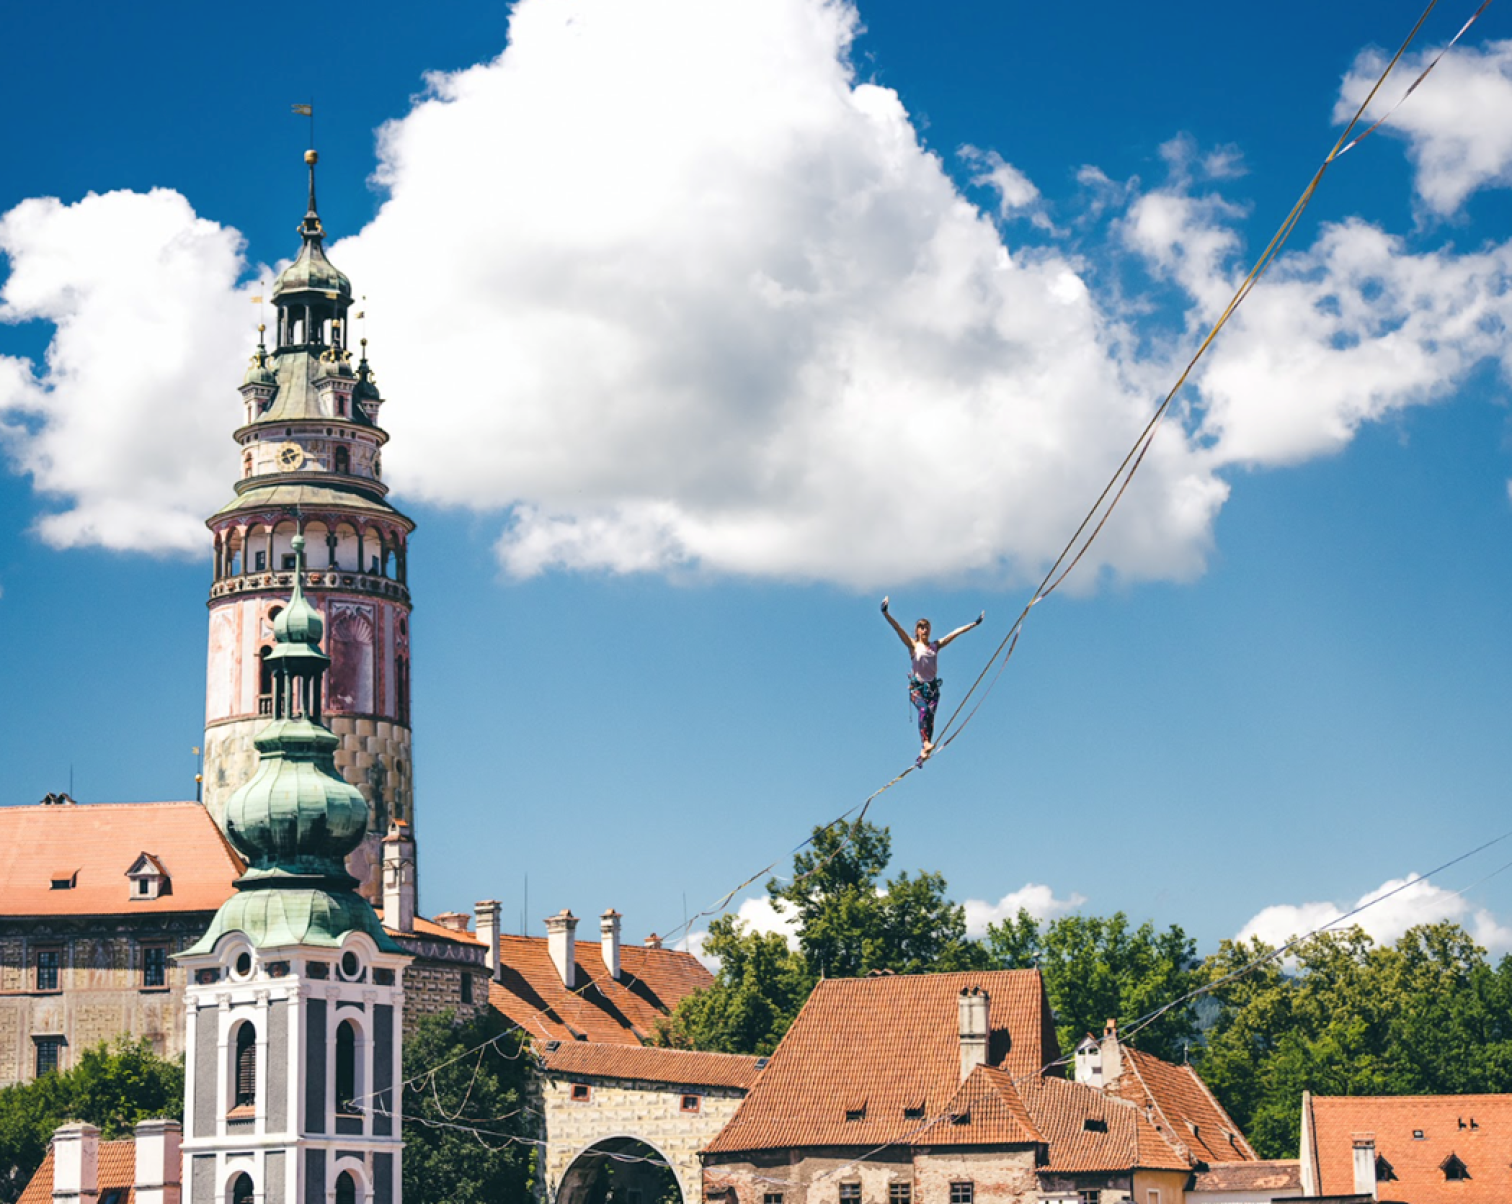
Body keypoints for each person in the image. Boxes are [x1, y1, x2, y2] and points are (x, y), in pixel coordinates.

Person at [881, 597, 983, 763]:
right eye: (921, 627)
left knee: (931, 719)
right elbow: (897, 628)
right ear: (917, 631)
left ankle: (925, 749)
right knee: (924, 711)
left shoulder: (935, 646)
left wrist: (974, 624)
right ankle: (926, 743)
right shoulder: (913, 646)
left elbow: (954, 634)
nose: (924, 630)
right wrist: (885, 613)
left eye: (927, 627)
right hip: (917, 690)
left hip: (933, 690)